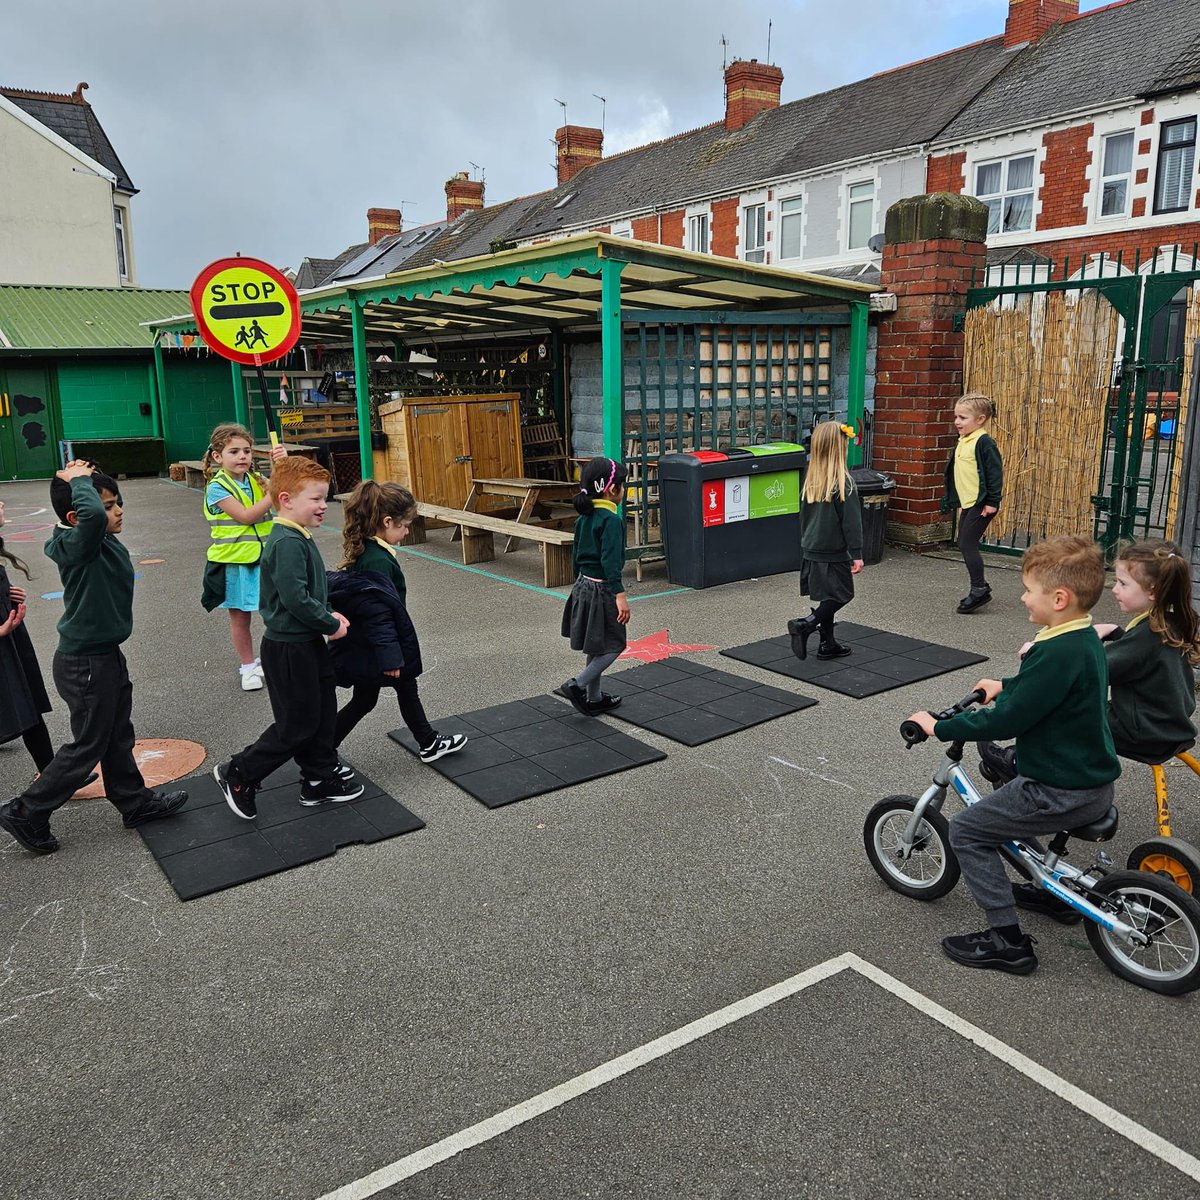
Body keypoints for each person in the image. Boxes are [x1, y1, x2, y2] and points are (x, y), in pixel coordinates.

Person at [906, 535, 1120, 975]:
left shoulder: (1055, 651)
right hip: (1088, 780)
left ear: (1059, 598)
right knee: (1004, 808)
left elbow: (1007, 722)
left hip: (1058, 789)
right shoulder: (1080, 639)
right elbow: (1050, 692)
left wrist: (939, 726)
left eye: (1029, 591)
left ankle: (1006, 940)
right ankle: (1051, 888)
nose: (1022, 597)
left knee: (967, 829)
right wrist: (1006, 685)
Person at [0, 462, 188, 855]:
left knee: (117, 733)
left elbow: (91, 521)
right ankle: (25, 810)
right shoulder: (76, 544)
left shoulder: (97, 539)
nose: (118, 511)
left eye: (118, 503)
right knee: (88, 743)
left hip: (104, 655)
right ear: (78, 515)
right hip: (85, 663)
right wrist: (79, 482)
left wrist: (90, 482)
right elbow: (87, 522)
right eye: (107, 506)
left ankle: (134, 803)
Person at [980, 539, 1200, 784]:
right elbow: (1139, 656)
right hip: (1169, 726)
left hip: (1142, 734)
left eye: (1123, 583)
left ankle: (1017, 763)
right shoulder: (1171, 622)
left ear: (1152, 591)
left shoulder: (1146, 638)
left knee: (1059, 710)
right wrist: (1115, 631)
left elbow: (1083, 672)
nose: (1114, 589)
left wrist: (1040, 655)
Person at [213, 455, 360, 821]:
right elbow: (295, 598)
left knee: (322, 712)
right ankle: (241, 773)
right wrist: (329, 624)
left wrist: (328, 613)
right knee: (298, 724)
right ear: (285, 500)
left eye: (324, 498)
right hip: (289, 648)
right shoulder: (286, 542)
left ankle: (319, 776)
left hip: (306, 642)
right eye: (315, 499)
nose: (323, 506)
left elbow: (308, 590)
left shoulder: (298, 534)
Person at [327, 479, 466, 763]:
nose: (406, 532)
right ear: (387, 522)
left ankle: (324, 746)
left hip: (373, 642)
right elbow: (379, 614)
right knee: (405, 686)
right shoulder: (377, 560)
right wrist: (391, 656)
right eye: (403, 526)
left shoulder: (371, 550)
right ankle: (427, 742)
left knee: (365, 700)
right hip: (379, 644)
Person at [200, 423, 285, 691]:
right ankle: (248, 666)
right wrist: (275, 490)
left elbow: (285, 500)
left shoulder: (258, 480)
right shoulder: (216, 488)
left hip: (266, 560)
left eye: (247, 451)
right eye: (234, 451)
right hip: (235, 563)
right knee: (240, 617)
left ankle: (280, 660)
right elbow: (248, 516)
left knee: (277, 611)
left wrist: (282, 470)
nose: (242, 457)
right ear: (217, 457)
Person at [559, 456, 630, 716]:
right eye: (622, 485)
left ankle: (595, 697)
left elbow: (576, 556)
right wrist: (619, 594)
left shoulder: (584, 518)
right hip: (603, 590)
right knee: (614, 645)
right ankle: (578, 685)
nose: (624, 490)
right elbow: (611, 562)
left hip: (583, 586)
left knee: (596, 644)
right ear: (612, 489)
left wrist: (579, 585)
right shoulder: (611, 521)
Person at [788, 422, 863, 661]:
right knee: (842, 594)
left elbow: (802, 518)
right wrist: (857, 552)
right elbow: (851, 523)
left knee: (826, 595)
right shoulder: (844, 484)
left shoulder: (812, 481)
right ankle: (806, 625)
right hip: (834, 551)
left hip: (811, 547)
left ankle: (828, 643)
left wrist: (806, 542)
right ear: (840, 448)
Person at [943, 392, 1003, 614]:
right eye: (956, 417)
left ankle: (979, 589)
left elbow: (994, 473)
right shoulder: (964, 439)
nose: (957, 422)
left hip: (982, 503)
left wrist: (992, 501)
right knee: (964, 543)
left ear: (980, 419)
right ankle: (980, 586)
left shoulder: (984, 442)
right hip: (969, 503)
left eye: (963, 418)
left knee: (967, 544)